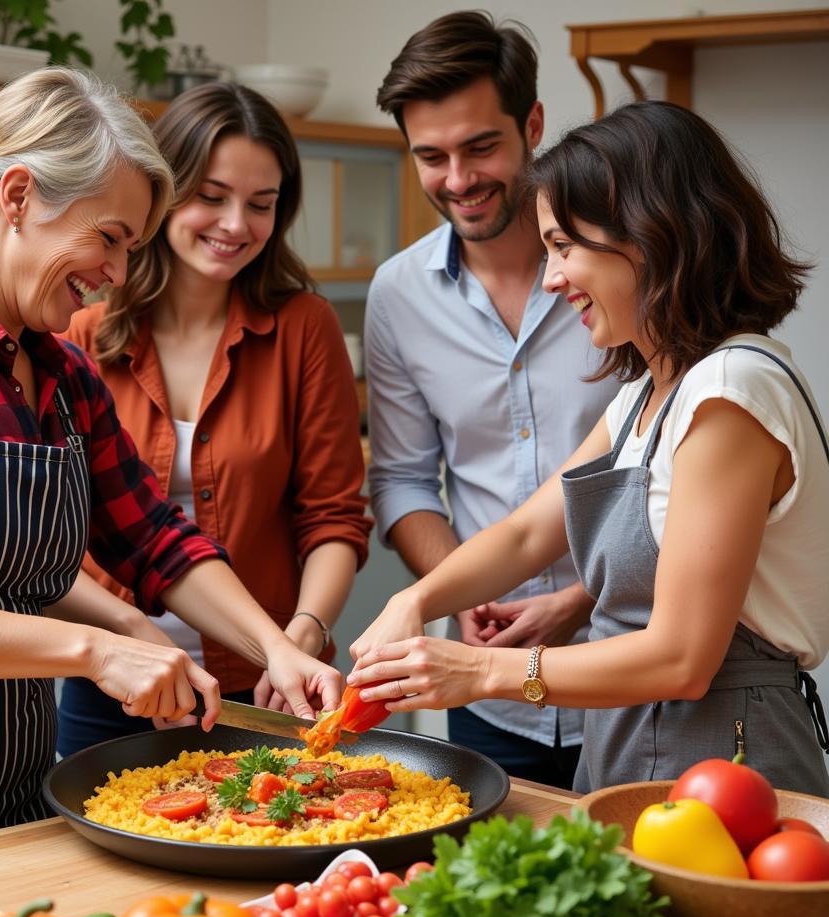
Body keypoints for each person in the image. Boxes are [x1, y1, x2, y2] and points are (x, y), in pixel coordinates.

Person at [0, 68, 343, 902]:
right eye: (111, 237)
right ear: (18, 194)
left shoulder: (59, 373)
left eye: (130, 247)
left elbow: (153, 536)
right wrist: (100, 649)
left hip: (16, 785)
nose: (120, 272)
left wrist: (273, 645)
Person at [348, 100, 829, 797]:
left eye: (565, 247)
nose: (551, 277)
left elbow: (682, 657)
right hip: (634, 744)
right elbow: (521, 537)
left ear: (653, 234)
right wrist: (415, 601)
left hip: (730, 759)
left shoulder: (731, 393)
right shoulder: (646, 392)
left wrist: (478, 672)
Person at [55, 82, 370, 756]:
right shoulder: (79, 331)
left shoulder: (304, 329)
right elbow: (48, 537)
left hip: (265, 684)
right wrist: (128, 640)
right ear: (163, 192)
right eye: (212, 196)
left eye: (261, 205)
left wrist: (301, 634)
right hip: (113, 683)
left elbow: (333, 516)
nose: (236, 225)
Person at [363, 11, 619, 785]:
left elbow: (677, 472)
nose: (458, 179)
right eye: (430, 156)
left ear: (532, 123)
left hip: (632, 682)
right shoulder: (399, 295)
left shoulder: (620, 267)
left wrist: (578, 599)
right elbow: (403, 479)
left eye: (481, 147)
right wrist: (461, 591)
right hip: (484, 696)